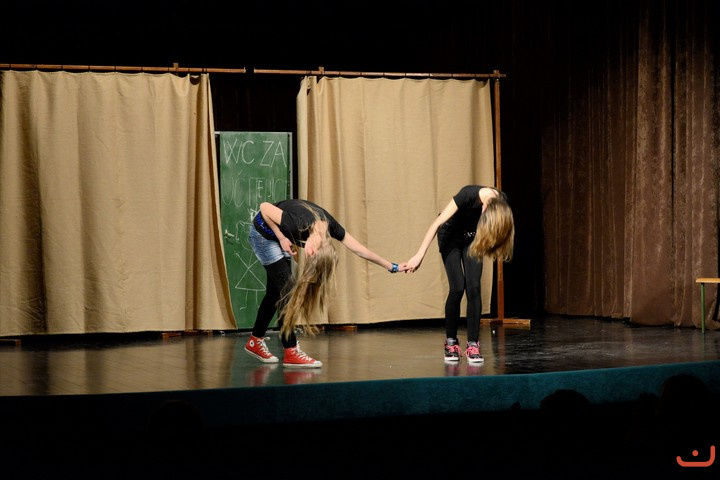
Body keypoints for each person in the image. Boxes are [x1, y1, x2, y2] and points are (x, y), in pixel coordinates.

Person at [246, 198, 406, 368]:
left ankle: (255, 340)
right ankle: (291, 351)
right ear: (312, 250)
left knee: (276, 292)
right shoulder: (297, 224)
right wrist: (281, 237)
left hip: (282, 234)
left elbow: (360, 250)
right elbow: (264, 207)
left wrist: (392, 266)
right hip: (264, 234)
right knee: (287, 292)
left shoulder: (330, 227)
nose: (306, 256)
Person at [405, 185, 514, 363]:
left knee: (474, 287)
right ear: (485, 208)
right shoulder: (468, 195)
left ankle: (473, 344)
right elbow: (436, 224)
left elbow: (502, 227)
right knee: (457, 287)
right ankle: (451, 342)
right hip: (450, 235)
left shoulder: (501, 203)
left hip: (471, 238)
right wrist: (419, 256)